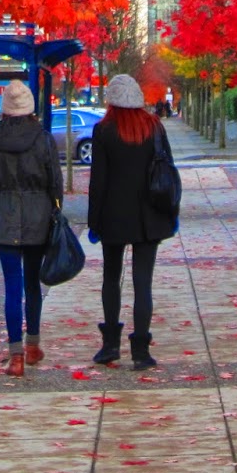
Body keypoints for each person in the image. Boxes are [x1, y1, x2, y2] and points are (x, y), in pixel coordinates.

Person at [86, 74, 176, 371]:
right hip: (150, 215)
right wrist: (171, 213)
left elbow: (98, 182)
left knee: (111, 279)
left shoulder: (104, 131)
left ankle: (110, 345)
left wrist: (94, 221)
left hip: (113, 215)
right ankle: (141, 350)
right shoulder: (154, 127)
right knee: (143, 283)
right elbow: (167, 169)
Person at [0, 79, 62, 376]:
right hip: (38, 214)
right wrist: (55, 211)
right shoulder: (43, 138)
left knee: (12, 286)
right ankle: (34, 343)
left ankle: (15, 355)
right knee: (32, 283)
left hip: (3, 213)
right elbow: (55, 182)